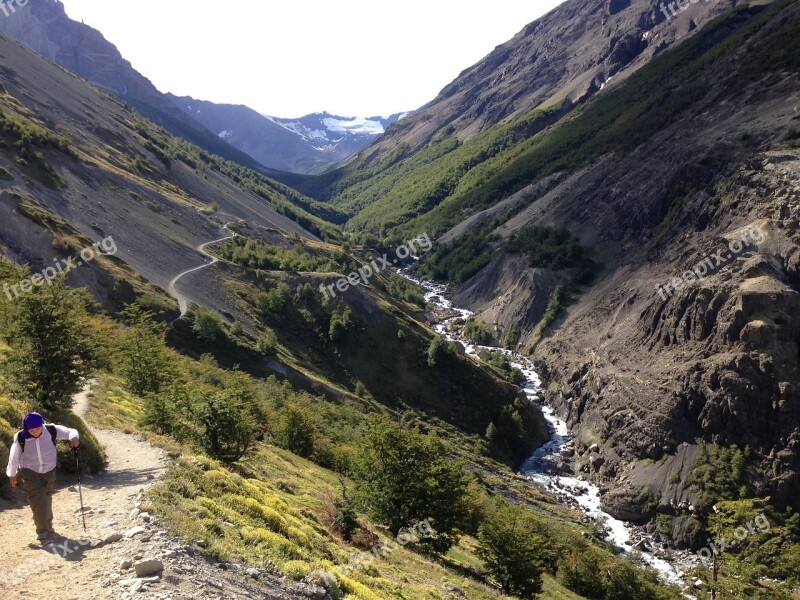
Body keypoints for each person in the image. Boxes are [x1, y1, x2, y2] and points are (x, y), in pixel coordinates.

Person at [5, 412, 80, 542]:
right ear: (26, 428)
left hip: (49, 470)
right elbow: (14, 456)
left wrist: (74, 438)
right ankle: (42, 530)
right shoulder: (21, 437)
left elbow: (70, 431)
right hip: (29, 470)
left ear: (42, 425)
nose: (35, 432)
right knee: (37, 497)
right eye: (31, 430)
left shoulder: (51, 430)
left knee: (47, 496)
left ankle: (48, 525)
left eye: (38, 428)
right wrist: (12, 474)